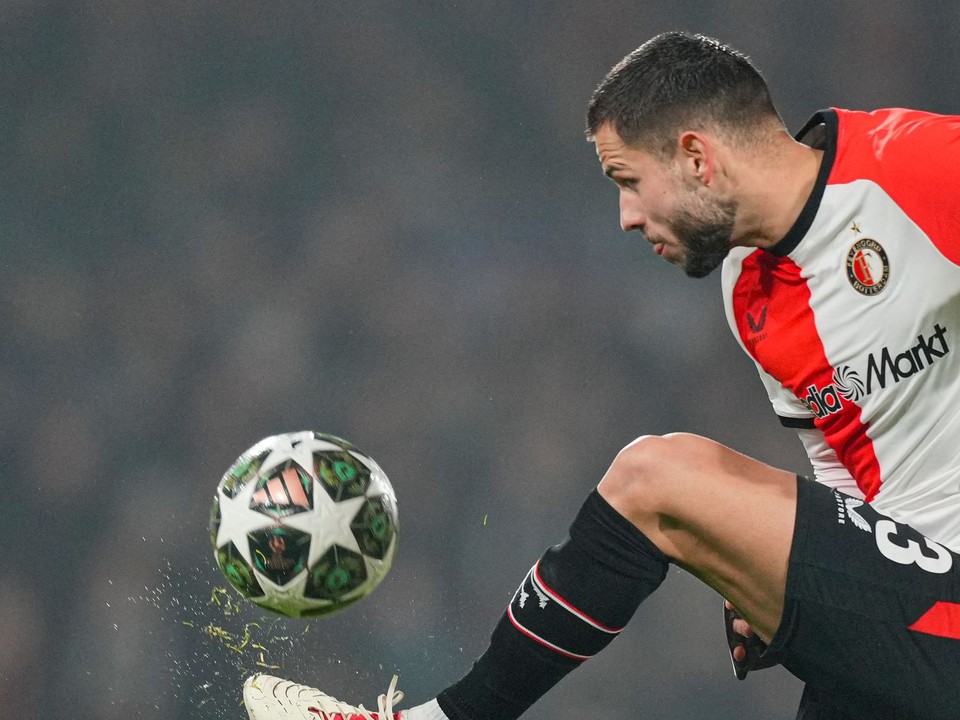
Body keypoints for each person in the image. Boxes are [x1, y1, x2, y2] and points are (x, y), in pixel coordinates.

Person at [242, 31, 960, 720]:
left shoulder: (917, 167)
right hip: (920, 609)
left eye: (629, 181)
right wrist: (784, 574)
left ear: (696, 159)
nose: (624, 216)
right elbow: (847, 467)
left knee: (656, 478)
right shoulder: (749, 285)